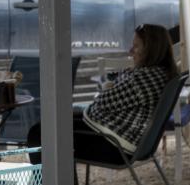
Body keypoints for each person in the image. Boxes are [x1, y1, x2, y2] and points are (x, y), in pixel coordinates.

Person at [27, 24, 178, 164]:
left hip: (115, 147)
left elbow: (101, 103)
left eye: (136, 46)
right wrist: (117, 83)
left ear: (152, 50)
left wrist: (112, 86)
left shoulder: (141, 79)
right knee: (61, 118)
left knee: (40, 131)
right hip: (131, 140)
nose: (130, 51)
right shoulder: (162, 74)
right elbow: (112, 88)